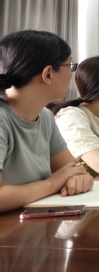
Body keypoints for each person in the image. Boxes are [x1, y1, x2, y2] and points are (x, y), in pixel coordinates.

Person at [0, 30, 93, 212]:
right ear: (48, 74)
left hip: (37, 222)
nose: (72, 74)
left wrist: (79, 178)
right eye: (70, 65)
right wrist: (53, 183)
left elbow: (72, 169)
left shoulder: (45, 116)